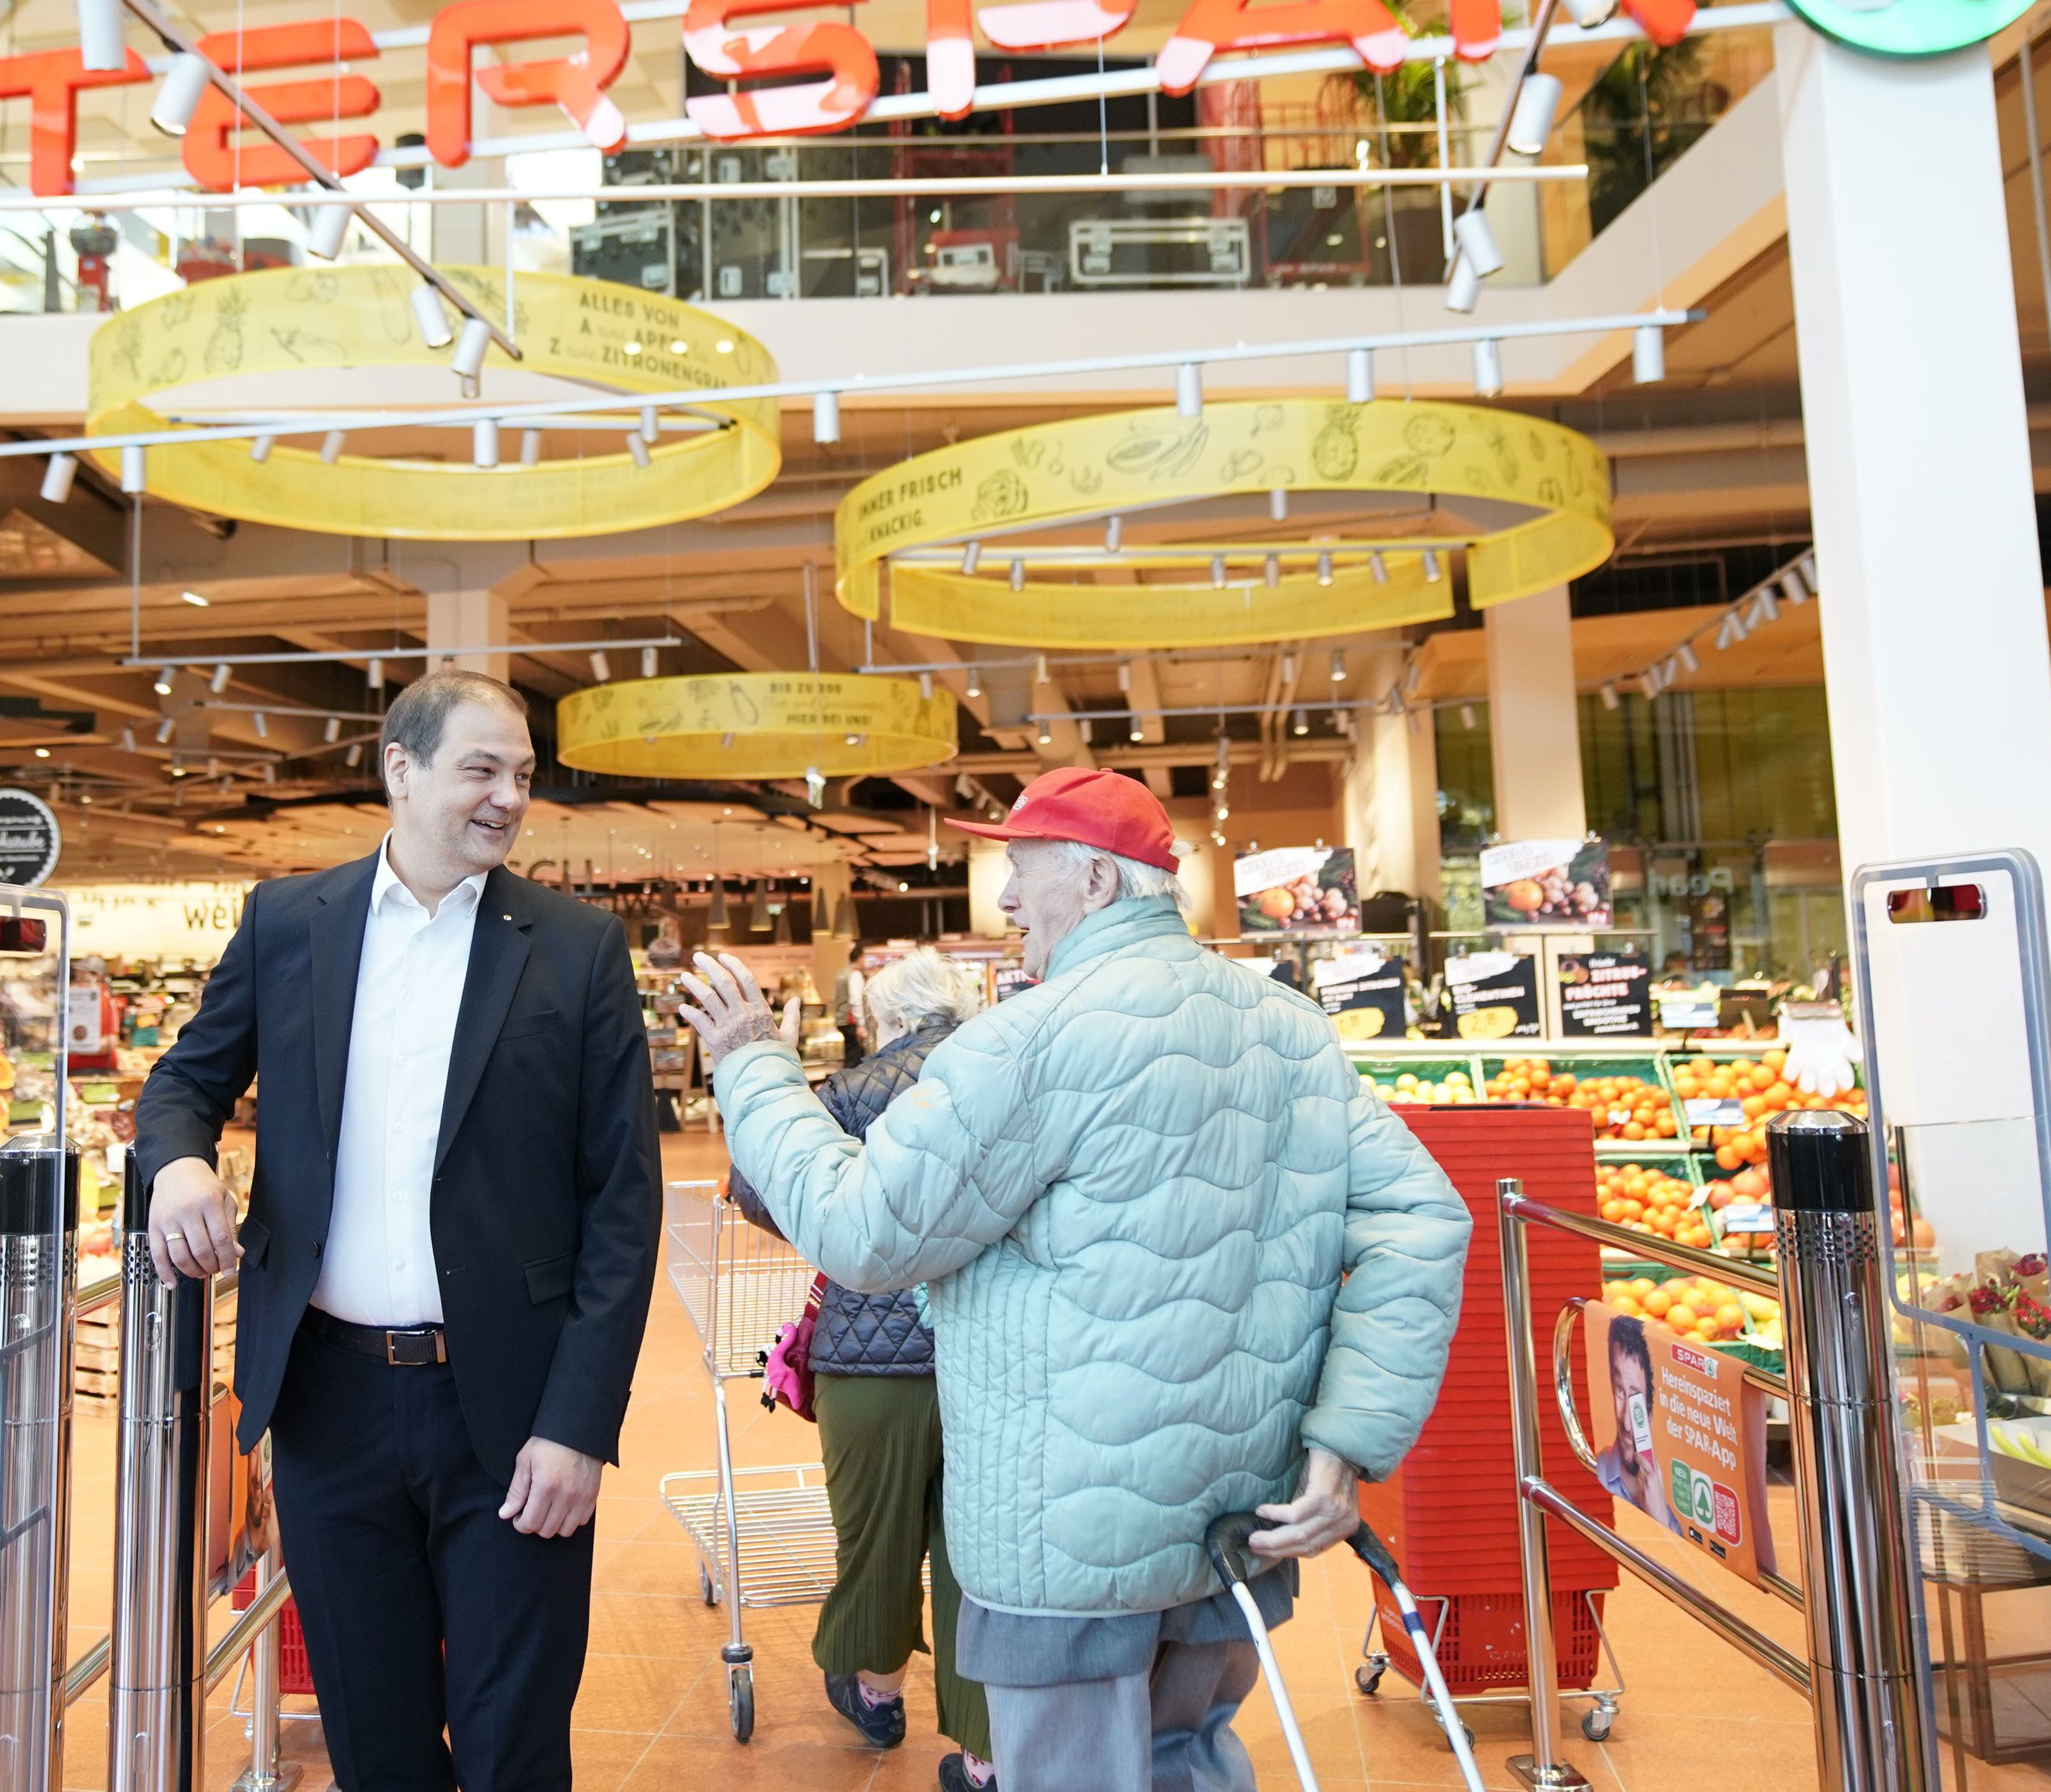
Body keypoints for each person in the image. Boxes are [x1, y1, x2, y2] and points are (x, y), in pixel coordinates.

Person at [679, 766, 1473, 1792]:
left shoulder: (1036, 1040)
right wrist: (1344, 1444)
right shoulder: (1291, 1031)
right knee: (1190, 1758)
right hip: (1238, 1522)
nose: (1005, 898)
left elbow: (861, 1228)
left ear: (1094, 880)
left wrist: (750, 1064)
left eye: (1021, 868)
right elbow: (1424, 1213)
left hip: (1065, 1551)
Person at [134, 668, 663, 1792]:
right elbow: (184, 1078)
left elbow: (623, 1200)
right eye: (481, 768)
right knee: (374, 1746)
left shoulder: (575, 946)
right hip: (330, 1409)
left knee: (513, 1743)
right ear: (402, 769)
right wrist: (177, 1160)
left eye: (521, 774)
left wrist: (579, 1423)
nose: (508, 796)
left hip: (514, 1419)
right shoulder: (290, 921)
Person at [726, 949, 996, 1788]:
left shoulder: (839, 1096)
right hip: (988, 1357)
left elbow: (755, 1184)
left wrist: (837, 1236)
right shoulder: (1004, 1075)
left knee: (875, 1538)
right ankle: (985, 1754)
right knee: (977, 1556)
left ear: (882, 1018)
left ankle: (877, 1697)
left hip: (868, 1361)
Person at [1598, 1313, 1685, 1535]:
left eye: (1636, 1398)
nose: (1627, 1421)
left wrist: (1661, 1521)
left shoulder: (1669, 1505)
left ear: (1650, 1404)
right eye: (1619, 1390)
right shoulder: (1592, 1472)